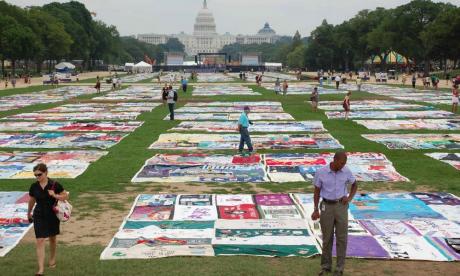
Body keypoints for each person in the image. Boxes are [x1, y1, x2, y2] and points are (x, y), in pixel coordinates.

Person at [311, 152, 358, 276]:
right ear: (334, 160)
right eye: (341, 163)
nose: (343, 166)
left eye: (344, 163)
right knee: (327, 238)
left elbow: (354, 184)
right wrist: (316, 209)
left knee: (342, 238)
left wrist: (349, 198)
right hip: (326, 206)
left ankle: (339, 268)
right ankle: (326, 266)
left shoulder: (346, 171)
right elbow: (316, 192)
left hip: (341, 207)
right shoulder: (321, 172)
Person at [27, 163, 69, 276]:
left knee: (52, 238)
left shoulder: (54, 184)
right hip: (39, 214)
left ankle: (52, 258)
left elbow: (65, 196)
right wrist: (29, 212)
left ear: (46, 173)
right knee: (40, 240)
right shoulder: (34, 186)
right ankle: (40, 270)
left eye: (39, 174)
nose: (37, 177)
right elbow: (31, 200)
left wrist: (55, 195)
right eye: (35, 175)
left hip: (52, 214)